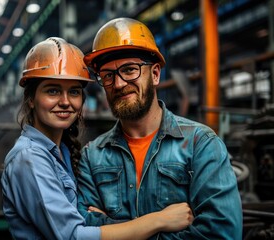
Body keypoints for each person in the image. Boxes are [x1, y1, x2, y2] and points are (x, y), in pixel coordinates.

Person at [0, 37, 193, 240]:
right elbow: (73, 236)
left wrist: (105, 222)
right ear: (31, 99)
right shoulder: (30, 158)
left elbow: (86, 222)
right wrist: (159, 220)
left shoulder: (60, 152)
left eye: (74, 92)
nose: (65, 102)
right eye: (53, 91)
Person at [77, 17, 243, 239]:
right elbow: (84, 233)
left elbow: (222, 234)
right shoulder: (92, 156)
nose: (118, 84)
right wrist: (158, 222)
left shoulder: (200, 144)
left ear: (155, 74)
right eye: (108, 76)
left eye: (129, 70)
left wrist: (112, 228)